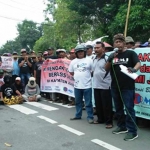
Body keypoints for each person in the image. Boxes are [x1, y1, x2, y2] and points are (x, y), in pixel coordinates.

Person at [105, 33, 141, 141]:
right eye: (116, 42)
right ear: (114, 44)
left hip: (127, 87)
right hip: (115, 86)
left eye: (120, 41)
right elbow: (106, 69)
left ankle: (132, 132)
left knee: (129, 109)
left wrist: (134, 69)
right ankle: (121, 126)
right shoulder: (112, 55)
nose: (118, 43)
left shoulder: (131, 53)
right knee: (118, 108)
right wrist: (109, 59)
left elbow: (138, 64)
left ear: (124, 43)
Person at [69, 44, 94, 124]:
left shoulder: (89, 60)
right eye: (78, 52)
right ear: (76, 53)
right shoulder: (73, 62)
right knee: (78, 102)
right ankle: (78, 115)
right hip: (77, 86)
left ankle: (90, 117)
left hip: (87, 85)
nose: (80, 53)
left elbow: (92, 71)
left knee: (88, 103)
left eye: (81, 51)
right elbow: (71, 72)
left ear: (84, 52)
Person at [93, 41, 113, 128]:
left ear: (103, 49)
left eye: (98, 48)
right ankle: (100, 119)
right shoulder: (93, 58)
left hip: (105, 85)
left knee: (107, 105)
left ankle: (109, 122)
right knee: (98, 104)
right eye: (95, 48)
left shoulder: (107, 58)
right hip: (96, 84)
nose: (96, 49)